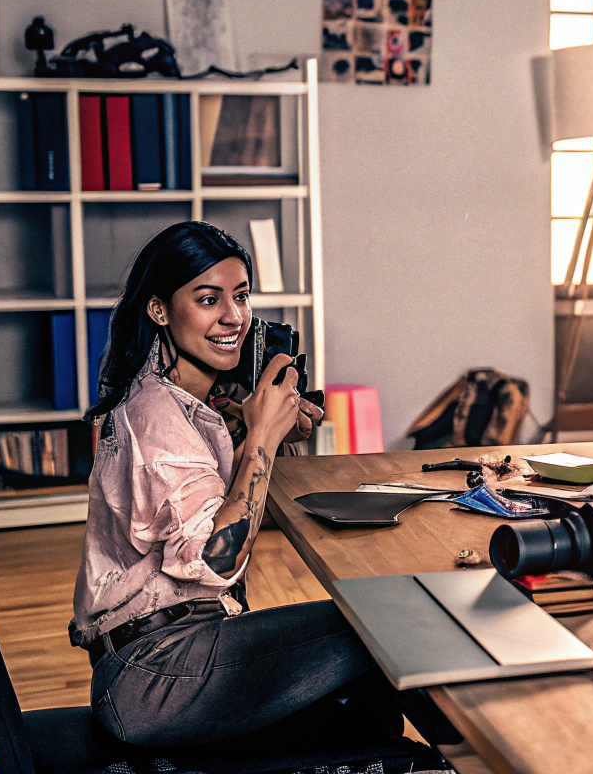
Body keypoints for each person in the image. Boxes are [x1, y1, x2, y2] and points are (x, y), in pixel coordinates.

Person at [69, 221, 433, 748]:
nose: (234, 317)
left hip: (165, 660)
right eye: (208, 299)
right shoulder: (154, 419)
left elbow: (202, 502)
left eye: (241, 297)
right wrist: (261, 435)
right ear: (159, 310)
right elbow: (216, 560)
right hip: (157, 675)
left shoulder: (177, 401)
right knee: (393, 623)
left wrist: (258, 432)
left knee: (372, 692)